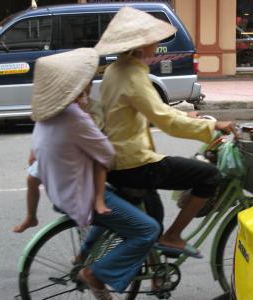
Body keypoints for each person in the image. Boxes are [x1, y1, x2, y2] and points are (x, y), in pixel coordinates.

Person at [95, 7, 238, 258]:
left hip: (117, 159)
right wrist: (212, 125)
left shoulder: (116, 70)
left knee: (154, 217)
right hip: (133, 162)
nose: (158, 44)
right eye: (153, 39)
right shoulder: (132, 75)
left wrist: (187, 115)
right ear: (141, 45)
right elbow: (165, 121)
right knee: (209, 176)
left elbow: (154, 109)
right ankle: (173, 237)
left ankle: (158, 271)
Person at [19, 48, 160, 299]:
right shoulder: (76, 117)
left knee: (118, 210)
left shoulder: (46, 116)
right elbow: (106, 154)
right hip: (83, 197)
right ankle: (96, 274)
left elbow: (33, 163)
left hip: (60, 195)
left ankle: (84, 255)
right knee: (148, 229)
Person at [13, 86, 110, 233]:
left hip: (82, 150)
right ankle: (31, 216)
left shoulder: (90, 107)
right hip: (57, 156)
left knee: (99, 162)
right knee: (31, 179)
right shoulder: (54, 110)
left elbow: (96, 136)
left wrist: (84, 113)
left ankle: (99, 199)